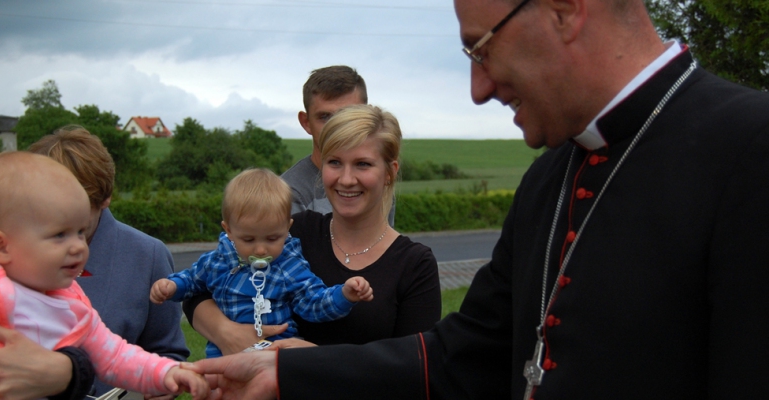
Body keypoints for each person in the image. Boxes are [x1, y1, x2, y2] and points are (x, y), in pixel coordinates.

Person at [186, 0, 769, 398]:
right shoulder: (547, 179)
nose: (478, 89)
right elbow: (465, 355)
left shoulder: (750, 145)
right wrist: (288, 371)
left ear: (565, 10)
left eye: (481, 49)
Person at [183, 104, 441, 354]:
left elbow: (417, 369)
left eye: (363, 164)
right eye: (334, 162)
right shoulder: (293, 234)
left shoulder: (414, 265)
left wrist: (314, 359)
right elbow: (198, 291)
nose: (346, 179)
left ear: (389, 172)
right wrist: (225, 332)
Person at [0, 152, 208, 399]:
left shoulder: (72, 305)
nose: (79, 246)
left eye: (80, 232)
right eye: (60, 235)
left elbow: (115, 356)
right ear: (1, 246)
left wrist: (166, 372)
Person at [28, 127, 190, 397]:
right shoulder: (15, 254)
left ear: (104, 198)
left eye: (76, 213)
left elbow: (167, 352)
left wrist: (163, 384)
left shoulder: (148, 255)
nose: (57, 224)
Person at [150, 168, 374, 357]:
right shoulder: (217, 261)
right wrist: (172, 286)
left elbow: (312, 302)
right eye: (248, 240)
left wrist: (343, 295)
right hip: (223, 353)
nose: (260, 249)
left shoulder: (289, 265)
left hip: (274, 352)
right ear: (229, 230)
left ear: (287, 227)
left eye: (272, 238)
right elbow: (191, 281)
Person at [282, 65, 396, 226]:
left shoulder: (375, 181)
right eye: (325, 117)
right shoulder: (287, 195)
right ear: (306, 122)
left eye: (348, 115)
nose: (337, 127)